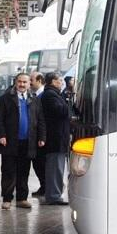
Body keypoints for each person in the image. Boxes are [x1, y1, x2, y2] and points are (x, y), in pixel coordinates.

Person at [0, 73, 46, 210]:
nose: (22, 84)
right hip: (9, 142)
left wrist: (41, 137)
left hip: (28, 142)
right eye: (19, 82)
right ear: (15, 82)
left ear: (29, 84)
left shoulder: (34, 99)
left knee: (24, 172)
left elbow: (40, 119)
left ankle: (22, 199)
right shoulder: (5, 98)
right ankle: (7, 199)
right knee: (8, 171)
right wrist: (1, 135)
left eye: (25, 82)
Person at [40, 72, 70, 205]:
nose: (61, 82)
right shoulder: (50, 95)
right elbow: (61, 111)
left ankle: (55, 193)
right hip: (55, 138)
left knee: (57, 167)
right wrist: (68, 103)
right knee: (55, 168)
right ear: (52, 81)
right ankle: (53, 196)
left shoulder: (53, 94)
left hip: (58, 137)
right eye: (59, 80)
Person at [29, 72, 46, 196]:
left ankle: (45, 187)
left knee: (41, 164)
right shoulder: (33, 95)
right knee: (37, 164)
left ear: (39, 80)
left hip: (41, 137)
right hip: (33, 136)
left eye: (31, 79)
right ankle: (43, 186)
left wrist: (42, 136)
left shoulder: (44, 95)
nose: (30, 82)